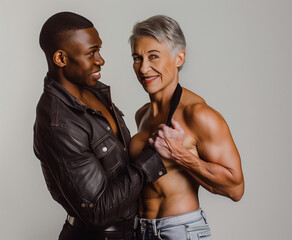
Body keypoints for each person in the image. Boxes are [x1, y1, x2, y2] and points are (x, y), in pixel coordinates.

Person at [33, 12, 168, 240]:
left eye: (99, 50)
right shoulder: (58, 123)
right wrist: (154, 156)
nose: (100, 60)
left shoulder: (94, 92)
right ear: (61, 59)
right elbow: (98, 210)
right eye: (91, 53)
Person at [129, 15, 244, 240]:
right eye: (137, 58)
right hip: (139, 231)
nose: (143, 68)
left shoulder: (198, 114)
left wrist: (179, 154)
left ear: (179, 58)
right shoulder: (142, 115)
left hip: (179, 231)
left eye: (153, 57)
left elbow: (236, 189)